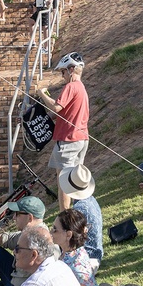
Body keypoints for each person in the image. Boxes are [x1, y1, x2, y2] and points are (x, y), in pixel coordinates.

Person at [37, 53, 90, 211]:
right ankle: (78, 212)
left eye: (63, 72)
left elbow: (56, 107)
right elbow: (62, 113)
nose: (62, 75)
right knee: (75, 180)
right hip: (81, 139)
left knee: (64, 182)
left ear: (71, 70)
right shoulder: (81, 88)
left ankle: (65, 216)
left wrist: (41, 94)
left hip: (68, 140)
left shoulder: (71, 86)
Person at [51, 208, 105, 286]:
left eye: (55, 229)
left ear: (68, 235)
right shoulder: (68, 253)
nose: (51, 232)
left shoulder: (78, 267)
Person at [71, 192, 105, 266]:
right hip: (97, 252)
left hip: (88, 257)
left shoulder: (79, 207)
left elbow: (72, 238)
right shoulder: (91, 199)